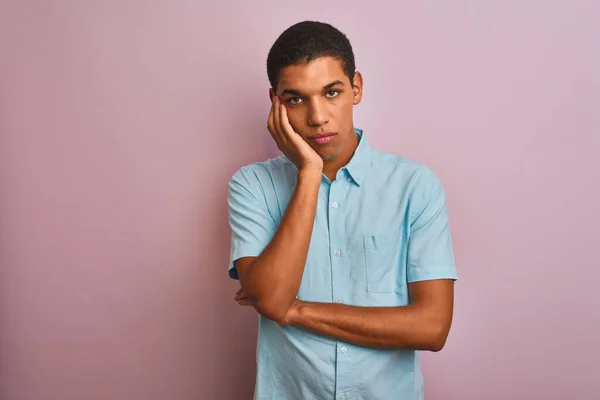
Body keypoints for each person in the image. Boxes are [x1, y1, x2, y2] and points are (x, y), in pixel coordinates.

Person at [227, 20, 457, 400]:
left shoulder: (415, 187)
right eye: (296, 99)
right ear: (276, 102)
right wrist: (309, 173)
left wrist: (295, 310)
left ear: (356, 88)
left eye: (331, 92)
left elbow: (432, 328)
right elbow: (270, 299)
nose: (317, 117)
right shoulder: (252, 186)